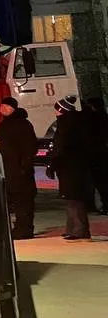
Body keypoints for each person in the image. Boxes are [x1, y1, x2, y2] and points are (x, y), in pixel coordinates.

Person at [49, 95, 95, 240]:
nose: (55, 112)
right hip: (75, 166)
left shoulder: (66, 125)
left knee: (74, 198)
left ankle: (79, 230)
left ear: (61, 110)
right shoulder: (75, 123)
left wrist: (53, 165)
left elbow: (60, 148)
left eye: (56, 109)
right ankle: (72, 228)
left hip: (70, 167)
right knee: (72, 198)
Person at [0, 97, 38, 239]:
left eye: (6, 106)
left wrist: (23, 166)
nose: (3, 109)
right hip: (9, 169)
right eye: (2, 106)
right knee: (16, 200)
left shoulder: (23, 124)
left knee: (23, 201)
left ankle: (25, 229)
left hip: (20, 171)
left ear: (13, 108)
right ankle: (20, 227)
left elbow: (30, 147)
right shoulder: (4, 125)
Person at [84, 97, 108, 215]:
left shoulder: (92, 119)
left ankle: (104, 205)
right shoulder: (103, 117)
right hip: (102, 152)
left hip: (96, 154)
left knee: (100, 182)